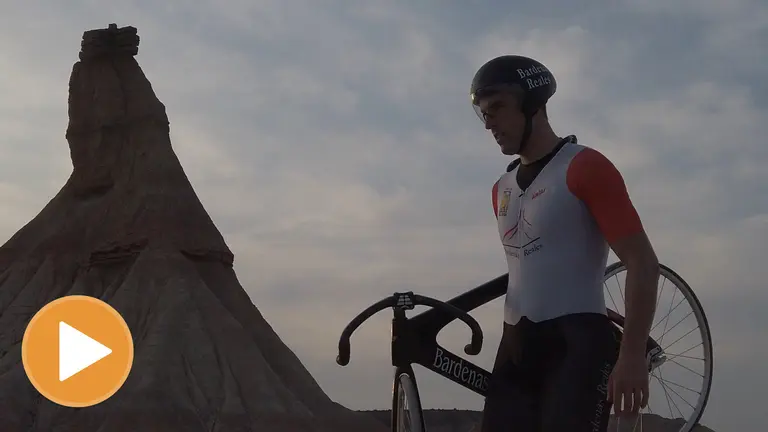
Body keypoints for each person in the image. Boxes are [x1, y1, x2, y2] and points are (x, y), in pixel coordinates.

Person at [471, 55, 660, 431]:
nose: (489, 122)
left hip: (577, 347)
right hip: (514, 349)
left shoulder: (586, 167)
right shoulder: (501, 190)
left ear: (533, 105)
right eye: (483, 114)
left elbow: (642, 262)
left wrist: (633, 354)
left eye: (498, 108)